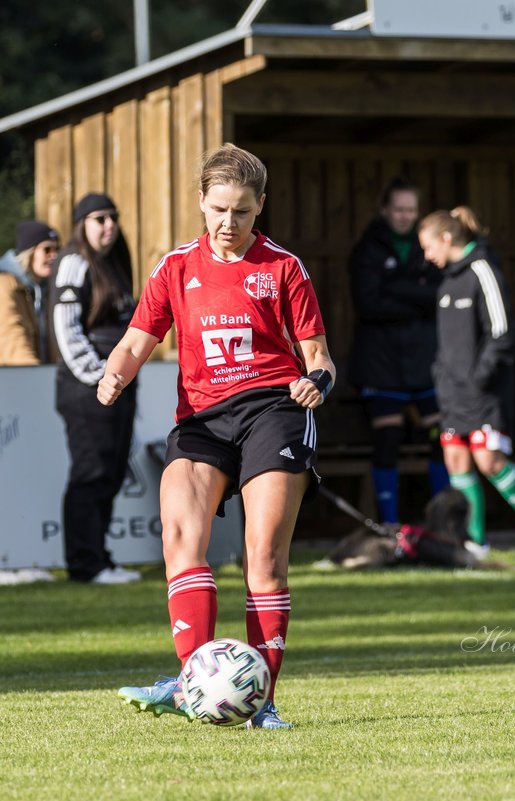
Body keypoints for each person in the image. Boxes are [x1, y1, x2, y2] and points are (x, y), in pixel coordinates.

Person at [103, 144, 333, 729]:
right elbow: (137, 341)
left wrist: (316, 384)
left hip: (273, 411)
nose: (229, 224)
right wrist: (114, 375)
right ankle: (189, 684)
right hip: (202, 420)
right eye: (219, 210)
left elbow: (319, 358)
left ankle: (264, 701)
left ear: (260, 209)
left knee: (264, 557)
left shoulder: (284, 268)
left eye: (243, 212)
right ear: (201, 202)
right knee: (180, 535)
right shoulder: (174, 268)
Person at [417, 207, 515, 566]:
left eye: (429, 247)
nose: (427, 256)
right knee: (456, 459)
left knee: (490, 460)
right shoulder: (446, 281)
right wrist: (442, 377)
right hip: (452, 393)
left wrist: (481, 376)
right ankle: (476, 542)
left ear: (447, 239)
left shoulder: (482, 269)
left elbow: (502, 332)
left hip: (484, 392)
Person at [47, 194, 141, 585]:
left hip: (116, 387)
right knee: (92, 472)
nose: (109, 226)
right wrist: (100, 376)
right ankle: (86, 565)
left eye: (113, 218)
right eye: (99, 219)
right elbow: (66, 331)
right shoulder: (73, 262)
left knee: (113, 471)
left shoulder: (113, 265)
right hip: (88, 390)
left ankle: (101, 558)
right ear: (82, 224)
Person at [347, 177, 447, 525]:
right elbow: (369, 304)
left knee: (442, 440)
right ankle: (389, 527)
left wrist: (395, 289)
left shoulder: (426, 246)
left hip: (426, 364)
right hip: (381, 364)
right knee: (387, 441)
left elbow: (439, 296)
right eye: (399, 209)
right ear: (385, 209)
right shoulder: (368, 248)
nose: (405, 216)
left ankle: (441, 523)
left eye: (411, 210)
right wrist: (417, 297)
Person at [0, 220, 59, 366]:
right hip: (8, 382)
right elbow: (12, 341)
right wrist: (37, 376)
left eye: (56, 249)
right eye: (47, 250)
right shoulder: (3, 286)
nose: (54, 255)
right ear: (30, 252)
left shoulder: (45, 291)